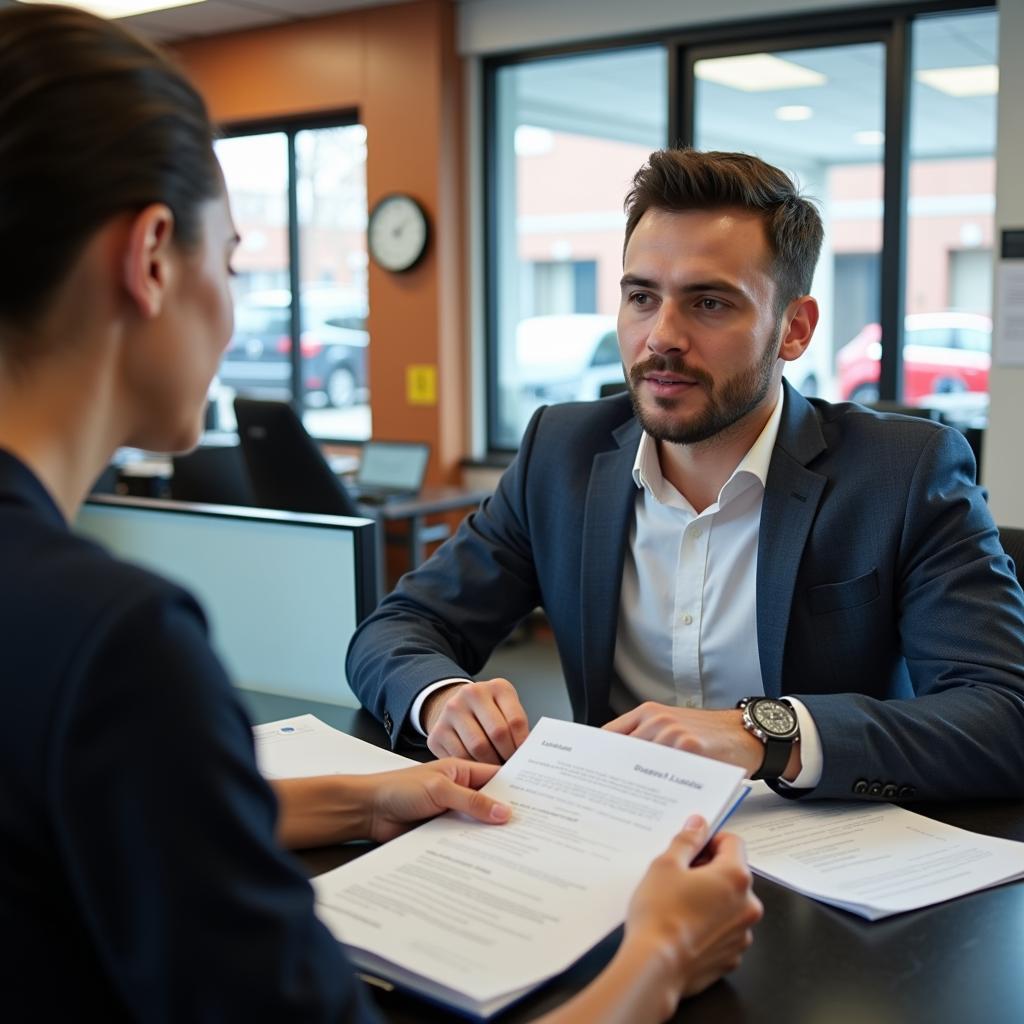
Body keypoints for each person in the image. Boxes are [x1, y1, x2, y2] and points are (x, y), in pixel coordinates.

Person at [0, 6, 761, 1020]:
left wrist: (363, 795)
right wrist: (660, 954)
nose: (231, 307)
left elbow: (86, 819)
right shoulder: (115, 641)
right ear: (148, 259)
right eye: (230, 262)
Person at [348, 148, 1024, 802]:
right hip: (605, 848)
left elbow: (1002, 717)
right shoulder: (562, 453)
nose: (661, 336)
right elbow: (398, 628)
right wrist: (440, 698)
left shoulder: (902, 474)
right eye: (642, 297)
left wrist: (764, 734)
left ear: (794, 330)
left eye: (709, 304)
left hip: (824, 868)